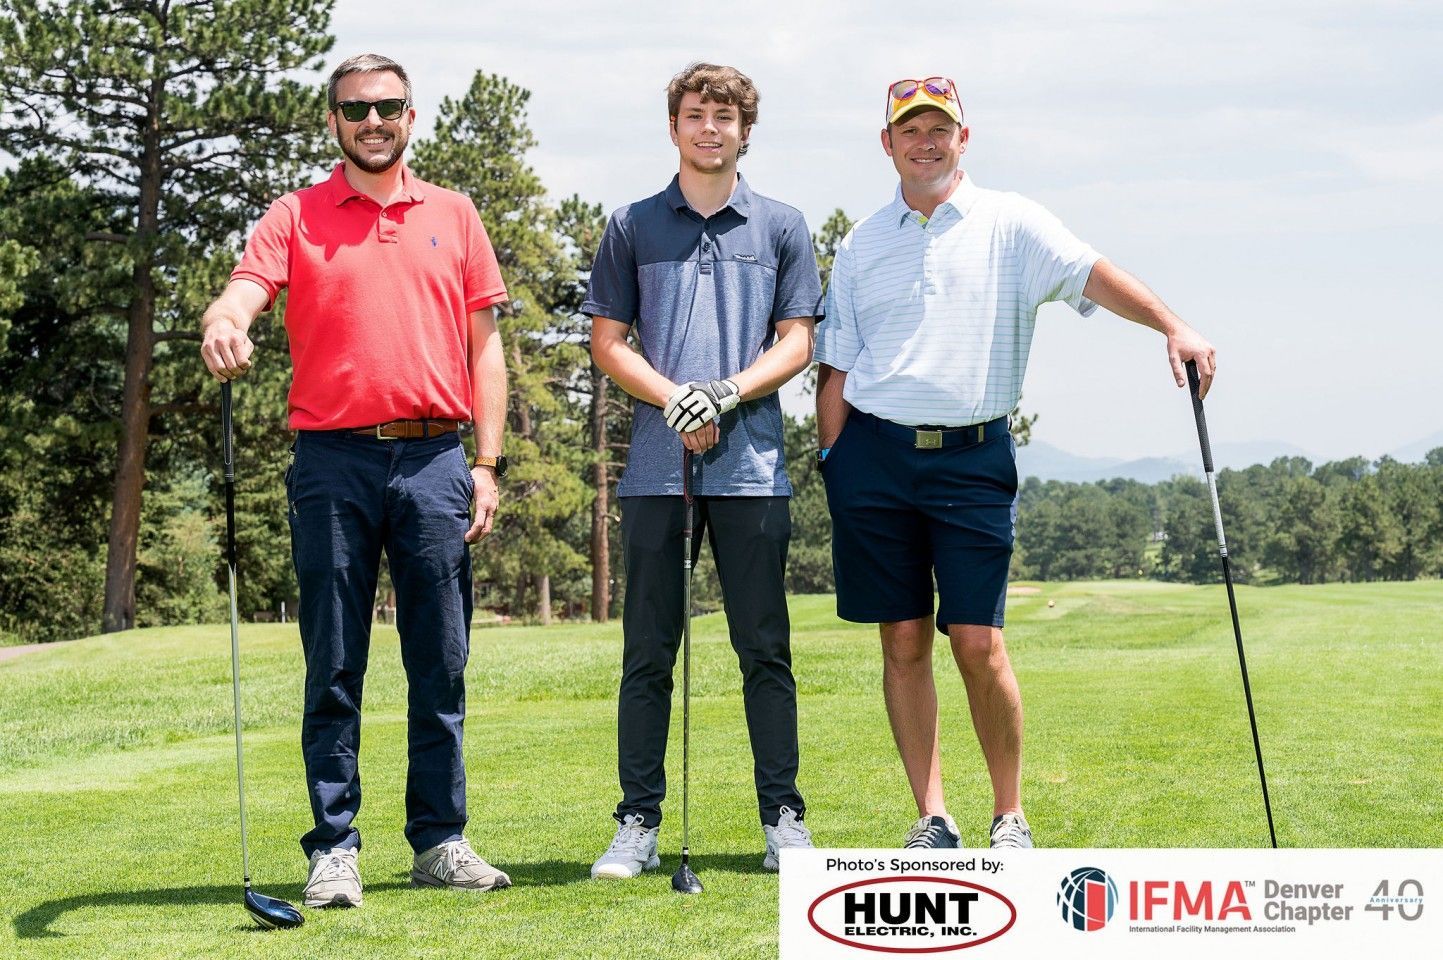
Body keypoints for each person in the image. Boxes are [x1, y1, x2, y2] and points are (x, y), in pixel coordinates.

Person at [814, 76, 1217, 850]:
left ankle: (1009, 816)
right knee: (902, 640)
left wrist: (1171, 325)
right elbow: (836, 365)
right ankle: (932, 817)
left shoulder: (1012, 223)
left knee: (976, 641)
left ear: (962, 138)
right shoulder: (862, 241)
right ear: (886, 143)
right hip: (872, 459)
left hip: (972, 459)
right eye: (909, 130)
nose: (925, 142)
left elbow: (1093, 274)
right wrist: (834, 461)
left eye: (938, 129)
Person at [199, 53, 513, 907]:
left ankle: (439, 841)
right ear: (333, 121)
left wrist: (487, 464)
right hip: (332, 461)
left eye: (387, 107)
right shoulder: (294, 214)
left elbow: (486, 350)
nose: (372, 121)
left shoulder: (454, 213)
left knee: (439, 662)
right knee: (334, 662)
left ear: (410, 116)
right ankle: (334, 846)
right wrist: (224, 321)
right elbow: (242, 291)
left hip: (436, 458)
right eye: (355, 109)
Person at [582, 62, 823, 878]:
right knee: (648, 653)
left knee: (765, 649)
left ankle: (783, 818)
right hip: (657, 473)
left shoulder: (782, 226)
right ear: (674, 127)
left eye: (724, 116)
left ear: (745, 130)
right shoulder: (631, 225)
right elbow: (607, 341)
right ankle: (637, 821)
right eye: (694, 114)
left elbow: (797, 341)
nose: (708, 128)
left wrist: (722, 393)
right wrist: (675, 399)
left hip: (751, 470)